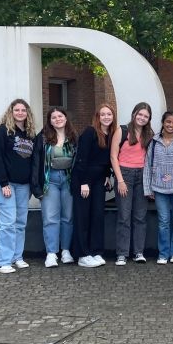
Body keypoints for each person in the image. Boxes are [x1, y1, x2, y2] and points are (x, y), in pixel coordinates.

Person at [0, 98, 37, 273]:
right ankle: (2, 262)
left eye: (23, 110)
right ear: (11, 112)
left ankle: (17, 257)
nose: (20, 113)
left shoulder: (29, 134)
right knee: (7, 223)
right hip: (6, 185)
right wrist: (3, 182)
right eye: (17, 110)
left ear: (27, 113)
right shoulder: (3, 131)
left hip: (23, 186)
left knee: (20, 222)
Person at [143, 111, 173, 264]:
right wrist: (148, 188)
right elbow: (147, 165)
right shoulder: (154, 142)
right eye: (168, 122)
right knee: (163, 221)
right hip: (159, 189)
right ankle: (163, 254)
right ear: (163, 122)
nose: (171, 125)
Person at [31, 107, 77, 268]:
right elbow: (36, 162)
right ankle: (51, 253)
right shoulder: (42, 138)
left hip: (68, 180)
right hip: (49, 180)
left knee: (68, 217)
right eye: (53, 117)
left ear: (66, 117)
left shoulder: (74, 137)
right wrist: (36, 187)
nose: (57, 119)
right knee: (50, 218)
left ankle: (65, 251)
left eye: (60, 116)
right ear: (49, 121)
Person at [71, 103, 116, 268]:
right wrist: (83, 182)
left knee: (97, 216)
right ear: (98, 117)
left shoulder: (111, 134)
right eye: (103, 114)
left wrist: (106, 176)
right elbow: (82, 158)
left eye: (109, 114)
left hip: (99, 181)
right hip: (84, 180)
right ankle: (82, 254)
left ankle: (96, 251)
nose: (106, 117)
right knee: (83, 217)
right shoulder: (90, 132)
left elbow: (105, 160)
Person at [110, 102, 154, 266]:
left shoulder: (149, 134)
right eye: (140, 114)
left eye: (146, 116)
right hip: (125, 175)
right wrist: (120, 180)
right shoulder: (122, 130)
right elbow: (114, 156)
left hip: (142, 176)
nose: (142, 118)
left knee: (140, 217)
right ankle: (122, 253)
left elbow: (151, 160)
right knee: (124, 216)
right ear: (134, 114)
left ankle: (138, 252)